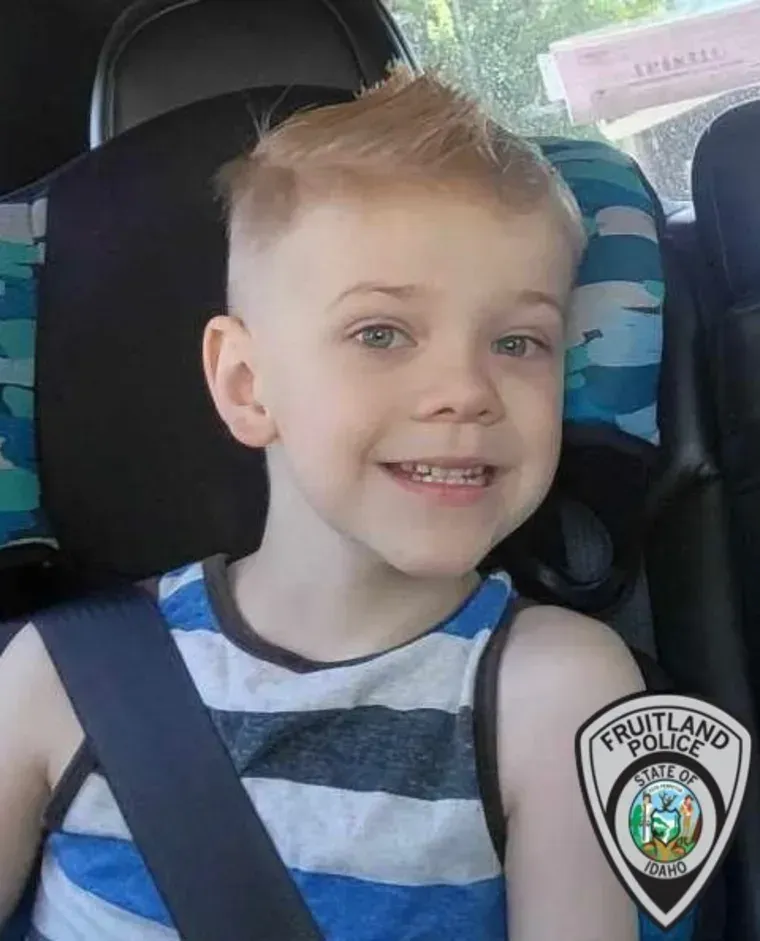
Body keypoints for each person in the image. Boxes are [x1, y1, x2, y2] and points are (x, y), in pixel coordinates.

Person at [0, 66, 647, 940]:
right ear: (245, 382)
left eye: (518, 340)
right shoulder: (56, 680)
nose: (466, 389)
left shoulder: (557, 691)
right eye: (381, 333)